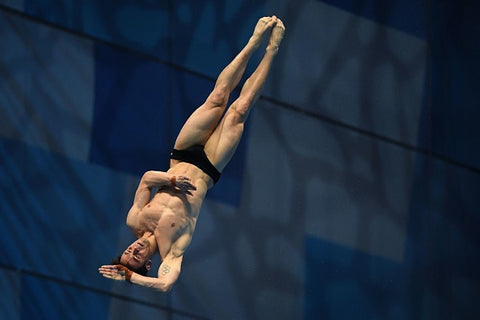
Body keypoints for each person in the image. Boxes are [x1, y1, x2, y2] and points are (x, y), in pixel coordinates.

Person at [98, 16, 285, 292]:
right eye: (136, 258)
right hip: (210, 166)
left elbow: (147, 178)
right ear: (147, 264)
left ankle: (253, 42)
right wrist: (129, 276)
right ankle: (272, 50)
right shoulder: (172, 249)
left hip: (181, 155)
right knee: (239, 110)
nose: (134, 250)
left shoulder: (135, 219)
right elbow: (164, 285)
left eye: (128, 252)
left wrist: (171, 181)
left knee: (218, 97)